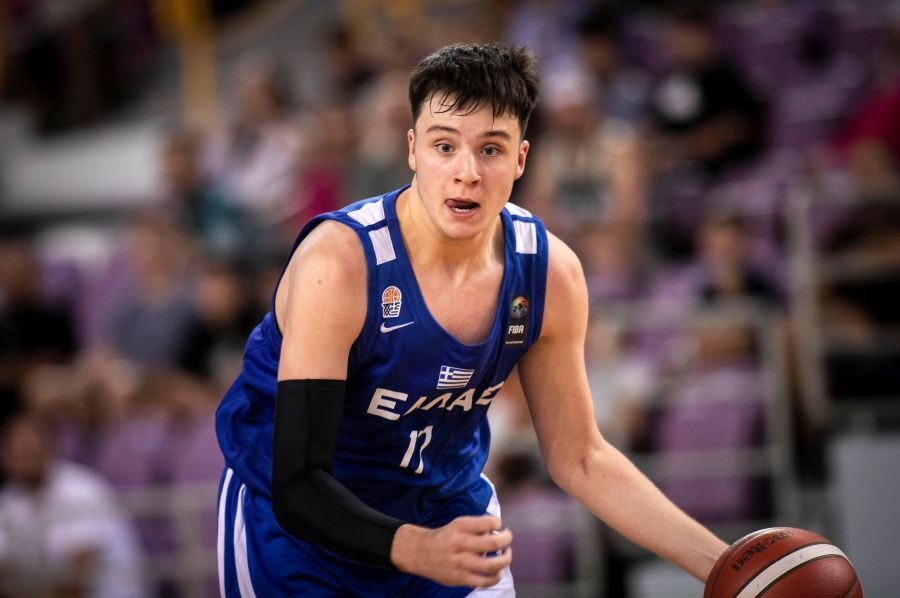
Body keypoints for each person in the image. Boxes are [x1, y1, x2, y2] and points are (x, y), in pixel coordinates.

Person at [215, 42, 727, 597]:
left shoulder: (549, 273)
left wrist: (729, 568)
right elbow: (298, 484)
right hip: (297, 534)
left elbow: (580, 458)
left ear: (521, 159)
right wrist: (414, 549)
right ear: (412, 150)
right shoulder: (339, 265)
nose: (467, 173)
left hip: (446, 519)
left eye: (491, 149)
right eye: (444, 146)